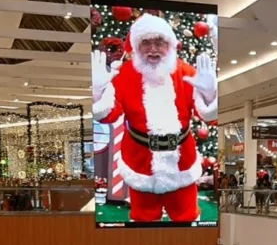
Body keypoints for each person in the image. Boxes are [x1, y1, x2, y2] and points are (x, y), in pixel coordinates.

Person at [91, 14, 217, 222]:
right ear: (136, 46)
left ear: (170, 45)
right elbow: (110, 114)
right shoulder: (124, 74)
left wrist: (210, 95)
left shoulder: (185, 71)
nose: (153, 49)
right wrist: (97, 93)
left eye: (160, 42)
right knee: (143, 219)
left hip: (181, 161)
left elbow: (206, 115)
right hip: (140, 161)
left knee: (186, 216)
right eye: (146, 43)